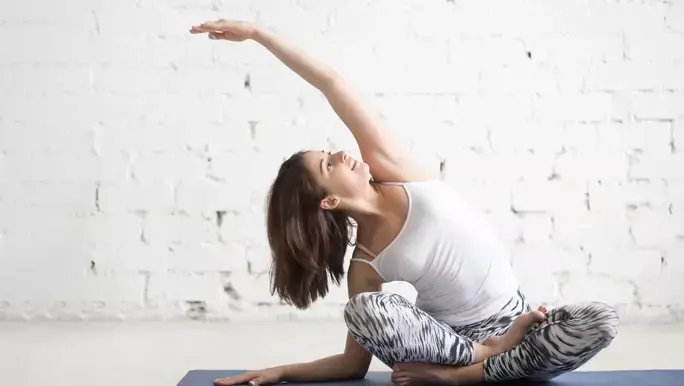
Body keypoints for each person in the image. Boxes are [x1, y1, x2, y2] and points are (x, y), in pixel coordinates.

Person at [189, 19, 620, 386]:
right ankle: (482, 359)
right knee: (363, 310)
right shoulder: (367, 262)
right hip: (456, 343)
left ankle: (467, 376)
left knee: (601, 319)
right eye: (327, 164)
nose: (339, 153)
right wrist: (280, 373)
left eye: (328, 151)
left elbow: (331, 84)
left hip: (519, 324)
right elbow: (352, 366)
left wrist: (258, 34)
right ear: (329, 200)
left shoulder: (395, 172)